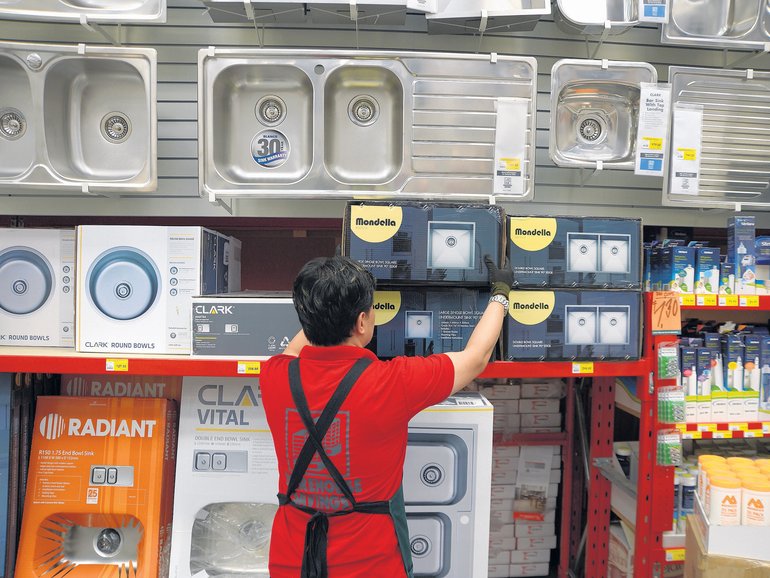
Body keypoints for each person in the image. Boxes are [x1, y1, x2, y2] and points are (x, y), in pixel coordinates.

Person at [260, 255, 512, 578]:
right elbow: (476, 358)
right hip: (372, 565)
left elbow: (296, 349)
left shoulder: (275, 376)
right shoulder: (393, 382)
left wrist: (324, 302)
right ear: (362, 323)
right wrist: (501, 293)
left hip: (292, 562)